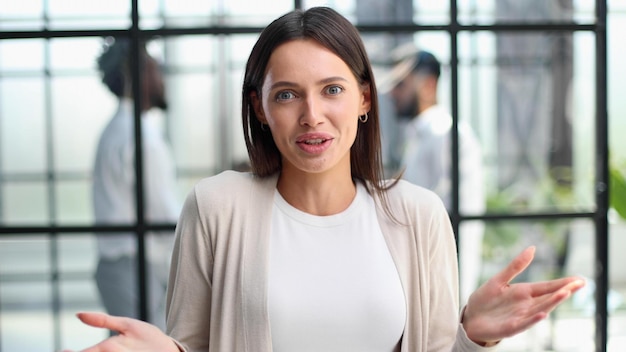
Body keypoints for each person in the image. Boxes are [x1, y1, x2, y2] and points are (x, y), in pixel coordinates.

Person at [69, 7, 584, 352]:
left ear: (363, 98)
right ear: (261, 108)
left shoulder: (419, 215)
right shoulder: (215, 207)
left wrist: (470, 336)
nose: (312, 115)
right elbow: (191, 344)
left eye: (332, 89)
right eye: (288, 94)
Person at [382, 45, 486, 304]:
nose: (393, 93)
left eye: (401, 84)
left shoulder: (446, 134)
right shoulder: (420, 135)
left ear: (428, 85)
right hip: (422, 270)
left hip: (441, 275)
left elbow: (448, 211)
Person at [92, 37, 180, 332]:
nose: (162, 78)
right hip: (131, 266)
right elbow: (162, 214)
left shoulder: (116, 130)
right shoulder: (140, 137)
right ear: (138, 76)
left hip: (121, 266)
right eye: (157, 70)